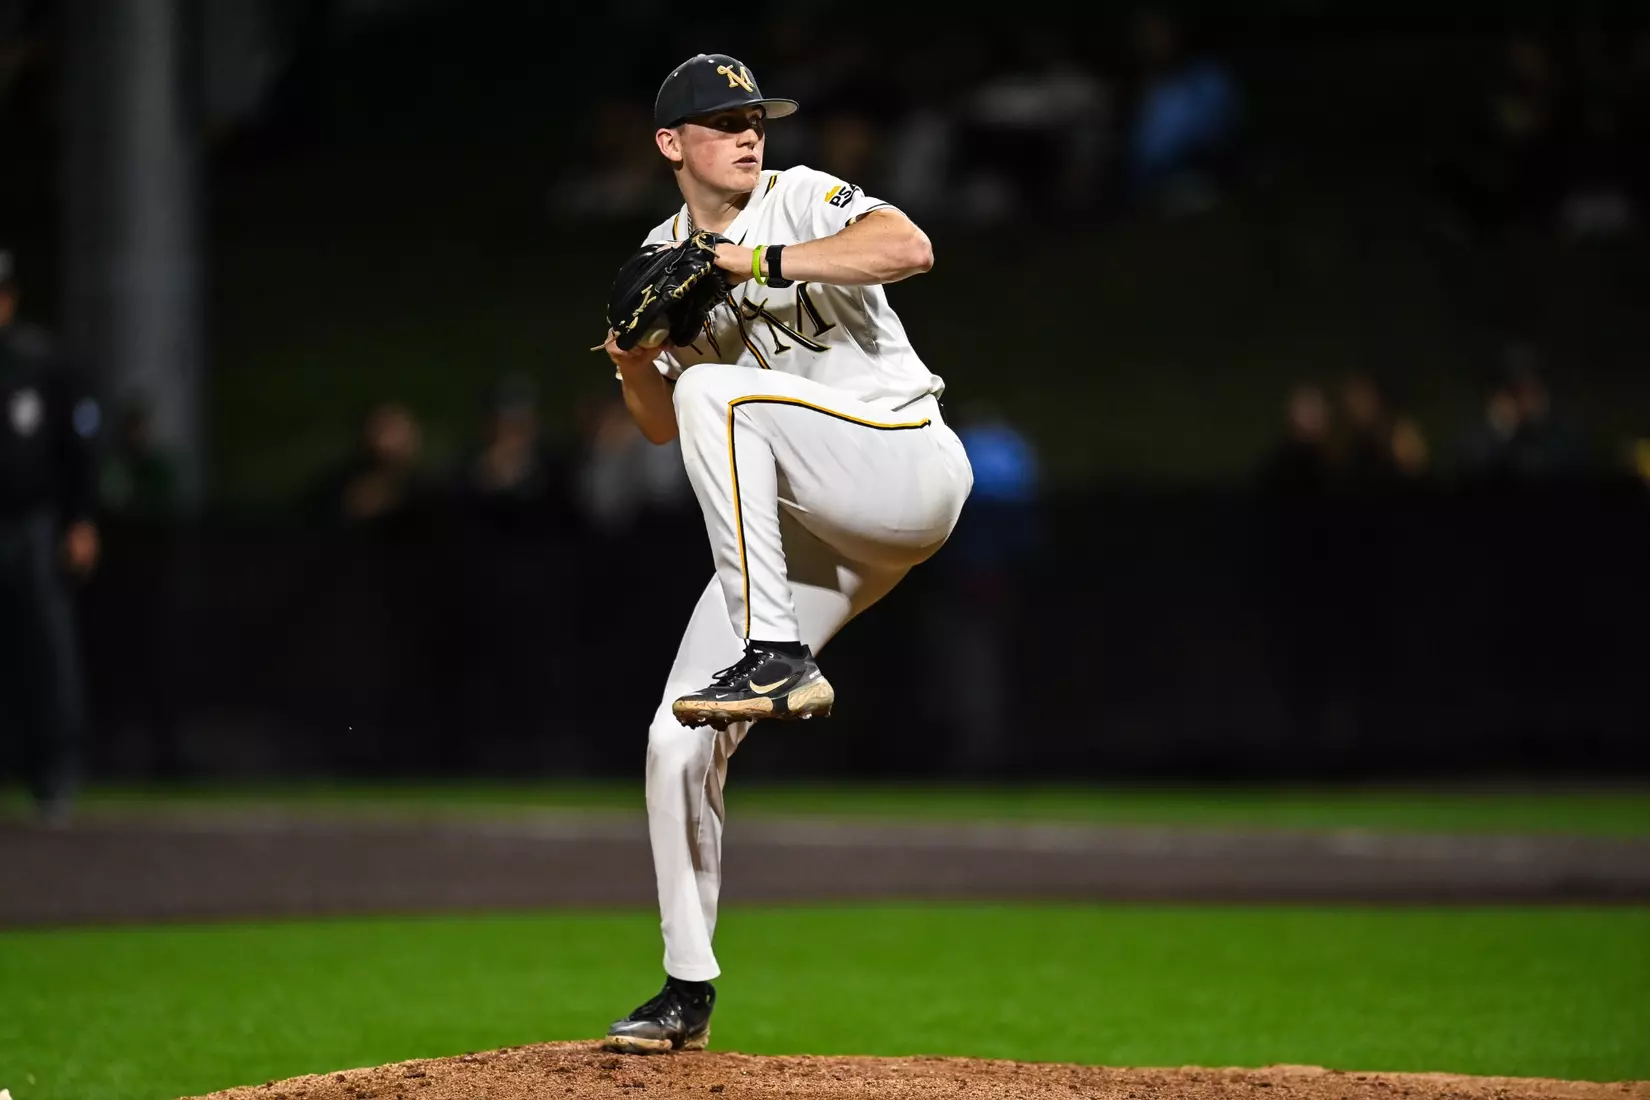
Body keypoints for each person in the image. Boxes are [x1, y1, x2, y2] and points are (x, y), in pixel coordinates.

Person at [598, 54, 973, 1053]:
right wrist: (635, 359)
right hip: (808, 532)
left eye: (754, 116)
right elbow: (654, 425)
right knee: (677, 733)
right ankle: (687, 988)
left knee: (715, 393)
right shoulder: (658, 251)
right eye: (722, 121)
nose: (747, 132)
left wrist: (747, 264)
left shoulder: (802, 198)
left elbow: (909, 245)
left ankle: (776, 650)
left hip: (902, 464)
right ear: (672, 146)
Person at [0, 247, 101, 824]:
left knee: (46, 650)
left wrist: (81, 520)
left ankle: (55, 775)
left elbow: (79, 449)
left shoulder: (41, 361)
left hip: (31, 525)